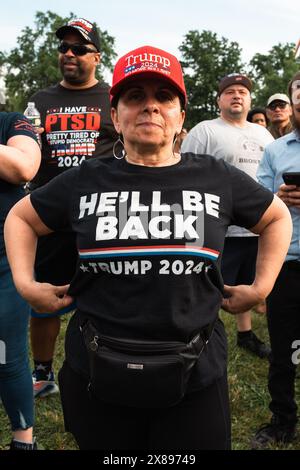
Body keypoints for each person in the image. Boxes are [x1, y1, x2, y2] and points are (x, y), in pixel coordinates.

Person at [4, 45, 291, 451]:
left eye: (164, 97)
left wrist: (261, 286)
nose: (150, 107)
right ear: (115, 116)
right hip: (98, 368)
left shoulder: (214, 176)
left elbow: (275, 217)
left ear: (180, 118)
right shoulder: (87, 178)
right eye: (135, 97)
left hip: (196, 371)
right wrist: (25, 281)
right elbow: (22, 217)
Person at [28, 18, 117, 398]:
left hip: (100, 215)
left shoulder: (113, 96)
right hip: (50, 216)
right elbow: (27, 152)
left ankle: (107, 364)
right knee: (44, 299)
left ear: (96, 56)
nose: (68, 53)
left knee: (107, 295)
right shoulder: (40, 101)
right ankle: (43, 372)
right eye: (63, 47)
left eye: (78, 48)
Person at [181, 73, 274, 359]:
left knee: (246, 285)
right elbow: (183, 171)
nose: (237, 95)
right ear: (219, 99)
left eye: (242, 92)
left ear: (249, 100)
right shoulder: (205, 131)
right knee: (208, 287)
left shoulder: (263, 135)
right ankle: (198, 336)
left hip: (256, 227)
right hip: (216, 228)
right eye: (230, 91)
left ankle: (245, 334)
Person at [252, 72, 300, 449]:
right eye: (299, 91)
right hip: (289, 262)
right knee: (283, 348)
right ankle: (283, 419)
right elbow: (258, 205)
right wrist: (279, 197)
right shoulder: (276, 149)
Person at [0, 112, 40, 449]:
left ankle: (23, 438)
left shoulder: (11, 122)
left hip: (3, 263)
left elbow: (23, 168)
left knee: (6, 355)